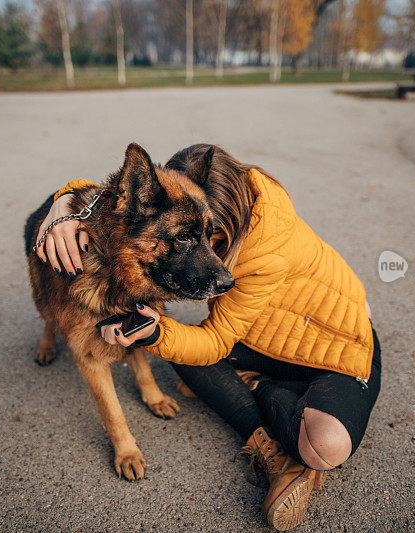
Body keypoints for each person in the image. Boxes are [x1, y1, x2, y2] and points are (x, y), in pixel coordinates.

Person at [35, 145, 381, 531]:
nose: (214, 264)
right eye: (192, 238)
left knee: (324, 446)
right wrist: (61, 203)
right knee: (181, 355)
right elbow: (122, 192)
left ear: (232, 217)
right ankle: (270, 430)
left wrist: (153, 333)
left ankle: (268, 400)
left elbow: (215, 341)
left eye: (209, 236)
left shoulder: (266, 248)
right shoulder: (202, 195)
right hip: (257, 335)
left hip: (334, 344)